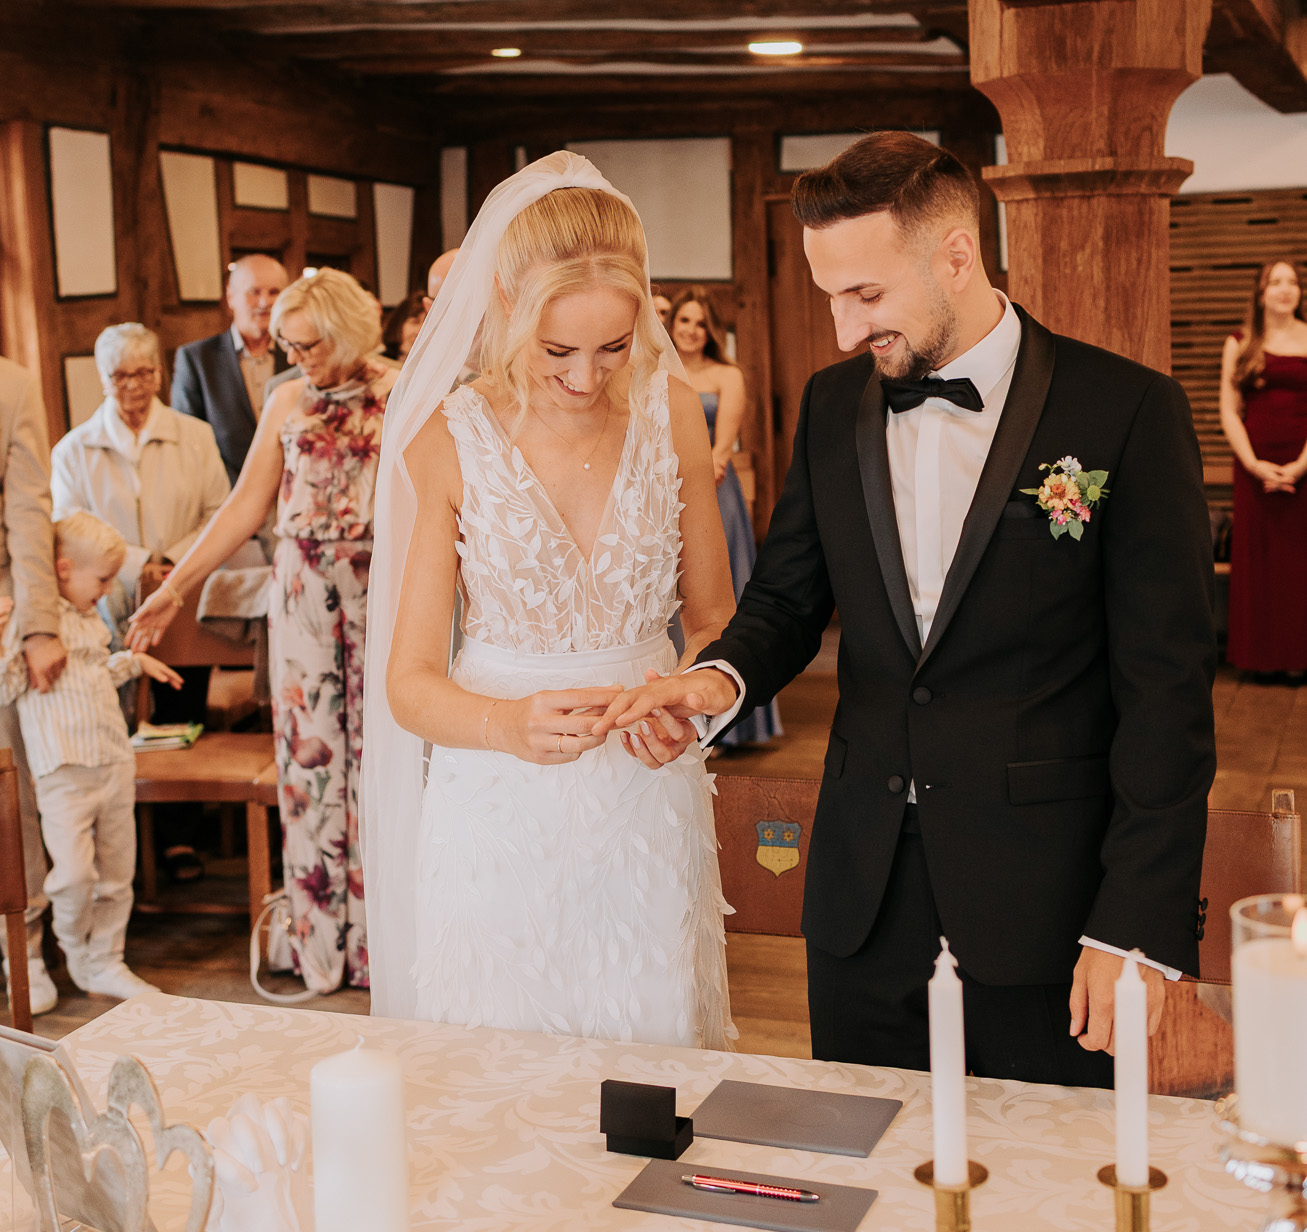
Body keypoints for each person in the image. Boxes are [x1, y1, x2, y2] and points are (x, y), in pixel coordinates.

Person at [597, 131, 1216, 1087]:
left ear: (956, 256)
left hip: (1046, 901)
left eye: (866, 296)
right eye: (829, 296)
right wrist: (708, 683)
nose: (843, 330)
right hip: (861, 900)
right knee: (863, 1181)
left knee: (1042, 1197)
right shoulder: (833, 404)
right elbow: (787, 597)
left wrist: (1134, 927)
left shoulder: (1124, 412)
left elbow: (1167, 696)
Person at [362, 152, 737, 1044]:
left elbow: (717, 620)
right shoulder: (447, 439)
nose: (584, 376)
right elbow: (408, 683)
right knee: (498, 1055)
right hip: (495, 802)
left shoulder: (674, 412)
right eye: (557, 349)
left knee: (654, 1047)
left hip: (646, 796)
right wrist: (506, 725)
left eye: (612, 347)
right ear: (503, 307)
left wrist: (689, 702)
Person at [127, 269, 397, 995]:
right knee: (309, 769)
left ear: (343, 330)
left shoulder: (400, 391)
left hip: (381, 593)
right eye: (287, 343)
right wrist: (176, 590)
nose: (296, 356)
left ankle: (385, 947)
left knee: (383, 765)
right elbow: (244, 509)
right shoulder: (286, 400)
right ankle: (319, 949)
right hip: (302, 594)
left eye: (306, 344)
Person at [0, 512, 181, 1000]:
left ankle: (106, 959)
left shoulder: (89, 620)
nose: (106, 590)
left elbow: (97, 672)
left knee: (118, 873)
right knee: (76, 873)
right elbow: (7, 688)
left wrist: (134, 662)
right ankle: (73, 951)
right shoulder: (33, 627)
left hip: (113, 761)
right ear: (62, 569)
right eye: (101, 579)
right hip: (63, 772)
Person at [52, 324, 229, 725]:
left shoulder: (197, 436)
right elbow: (67, 524)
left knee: (180, 709)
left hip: (183, 582)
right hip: (106, 595)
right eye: (119, 375)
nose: (132, 384)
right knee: (115, 708)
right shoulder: (73, 450)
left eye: (143, 372)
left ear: (159, 374)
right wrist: (137, 563)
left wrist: (170, 560)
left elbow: (219, 511)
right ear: (102, 377)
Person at [667, 287, 781, 749]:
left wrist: (702, 470)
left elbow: (723, 446)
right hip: (661, 488)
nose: (691, 331)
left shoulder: (726, 374)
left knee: (720, 588)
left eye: (699, 323)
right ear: (671, 326)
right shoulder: (657, 371)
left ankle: (729, 716)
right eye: (683, 322)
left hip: (713, 488)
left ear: (710, 329)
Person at [0, 356, 64, 1016]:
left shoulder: (11, 387)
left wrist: (37, 624)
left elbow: (27, 512)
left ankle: (24, 943)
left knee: (6, 790)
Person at [1221, 260, 1307, 675]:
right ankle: (1260, 659)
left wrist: (1300, 465)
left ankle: (1298, 659)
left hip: (1305, 466)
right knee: (1261, 563)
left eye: (1292, 281)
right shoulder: (1240, 342)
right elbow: (1230, 411)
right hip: (1254, 469)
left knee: (1299, 564)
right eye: (1276, 282)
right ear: (1260, 293)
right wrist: (1255, 465)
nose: (1286, 289)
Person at [172, 255, 289, 486]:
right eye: (254, 292)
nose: (265, 303)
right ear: (230, 297)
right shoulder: (197, 359)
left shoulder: (299, 356)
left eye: (274, 292)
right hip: (226, 493)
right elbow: (188, 441)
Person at [382, 292, 427, 364]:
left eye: (427, 325)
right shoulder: (377, 363)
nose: (420, 331)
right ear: (398, 324)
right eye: (415, 322)